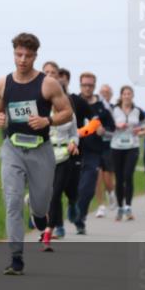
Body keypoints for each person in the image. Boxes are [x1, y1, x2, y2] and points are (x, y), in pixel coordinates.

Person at [0, 33, 72, 275]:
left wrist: (48, 120)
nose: (22, 59)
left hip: (40, 150)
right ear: (14, 53)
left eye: (27, 55)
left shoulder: (48, 84)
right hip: (12, 149)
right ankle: (16, 257)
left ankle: (38, 214)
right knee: (12, 201)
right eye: (18, 54)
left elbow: (66, 112)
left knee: (41, 202)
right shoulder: (3, 83)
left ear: (35, 56)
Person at [42, 63, 81, 245]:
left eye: (53, 73)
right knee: (44, 194)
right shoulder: (38, 104)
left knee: (56, 193)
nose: (50, 75)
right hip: (43, 154)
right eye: (46, 72)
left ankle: (50, 231)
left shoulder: (67, 104)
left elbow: (74, 132)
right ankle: (39, 214)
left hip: (64, 154)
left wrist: (73, 143)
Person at [71, 72, 114, 235]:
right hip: (73, 149)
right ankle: (70, 210)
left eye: (90, 85)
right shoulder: (73, 101)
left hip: (94, 152)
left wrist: (104, 131)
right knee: (72, 186)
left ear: (94, 86)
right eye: (85, 85)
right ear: (80, 85)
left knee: (88, 188)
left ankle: (80, 218)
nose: (87, 88)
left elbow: (112, 129)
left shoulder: (102, 107)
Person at [110, 85, 145, 221]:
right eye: (124, 94)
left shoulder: (138, 111)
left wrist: (140, 131)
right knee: (119, 178)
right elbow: (107, 125)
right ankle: (120, 208)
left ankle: (128, 207)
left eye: (129, 94)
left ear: (132, 96)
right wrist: (116, 125)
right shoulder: (114, 110)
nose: (127, 96)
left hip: (132, 146)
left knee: (128, 175)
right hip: (116, 146)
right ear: (121, 96)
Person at [96, 83, 117, 216]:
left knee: (107, 177)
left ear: (111, 95)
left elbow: (117, 130)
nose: (104, 94)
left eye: (107, 92)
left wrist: (105, 132)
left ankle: (111, 193)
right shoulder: (94, 107)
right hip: (95, 146)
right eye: (102, 92)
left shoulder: (115, 109)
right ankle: (101, 206)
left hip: (110, 146)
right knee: (97, 176)